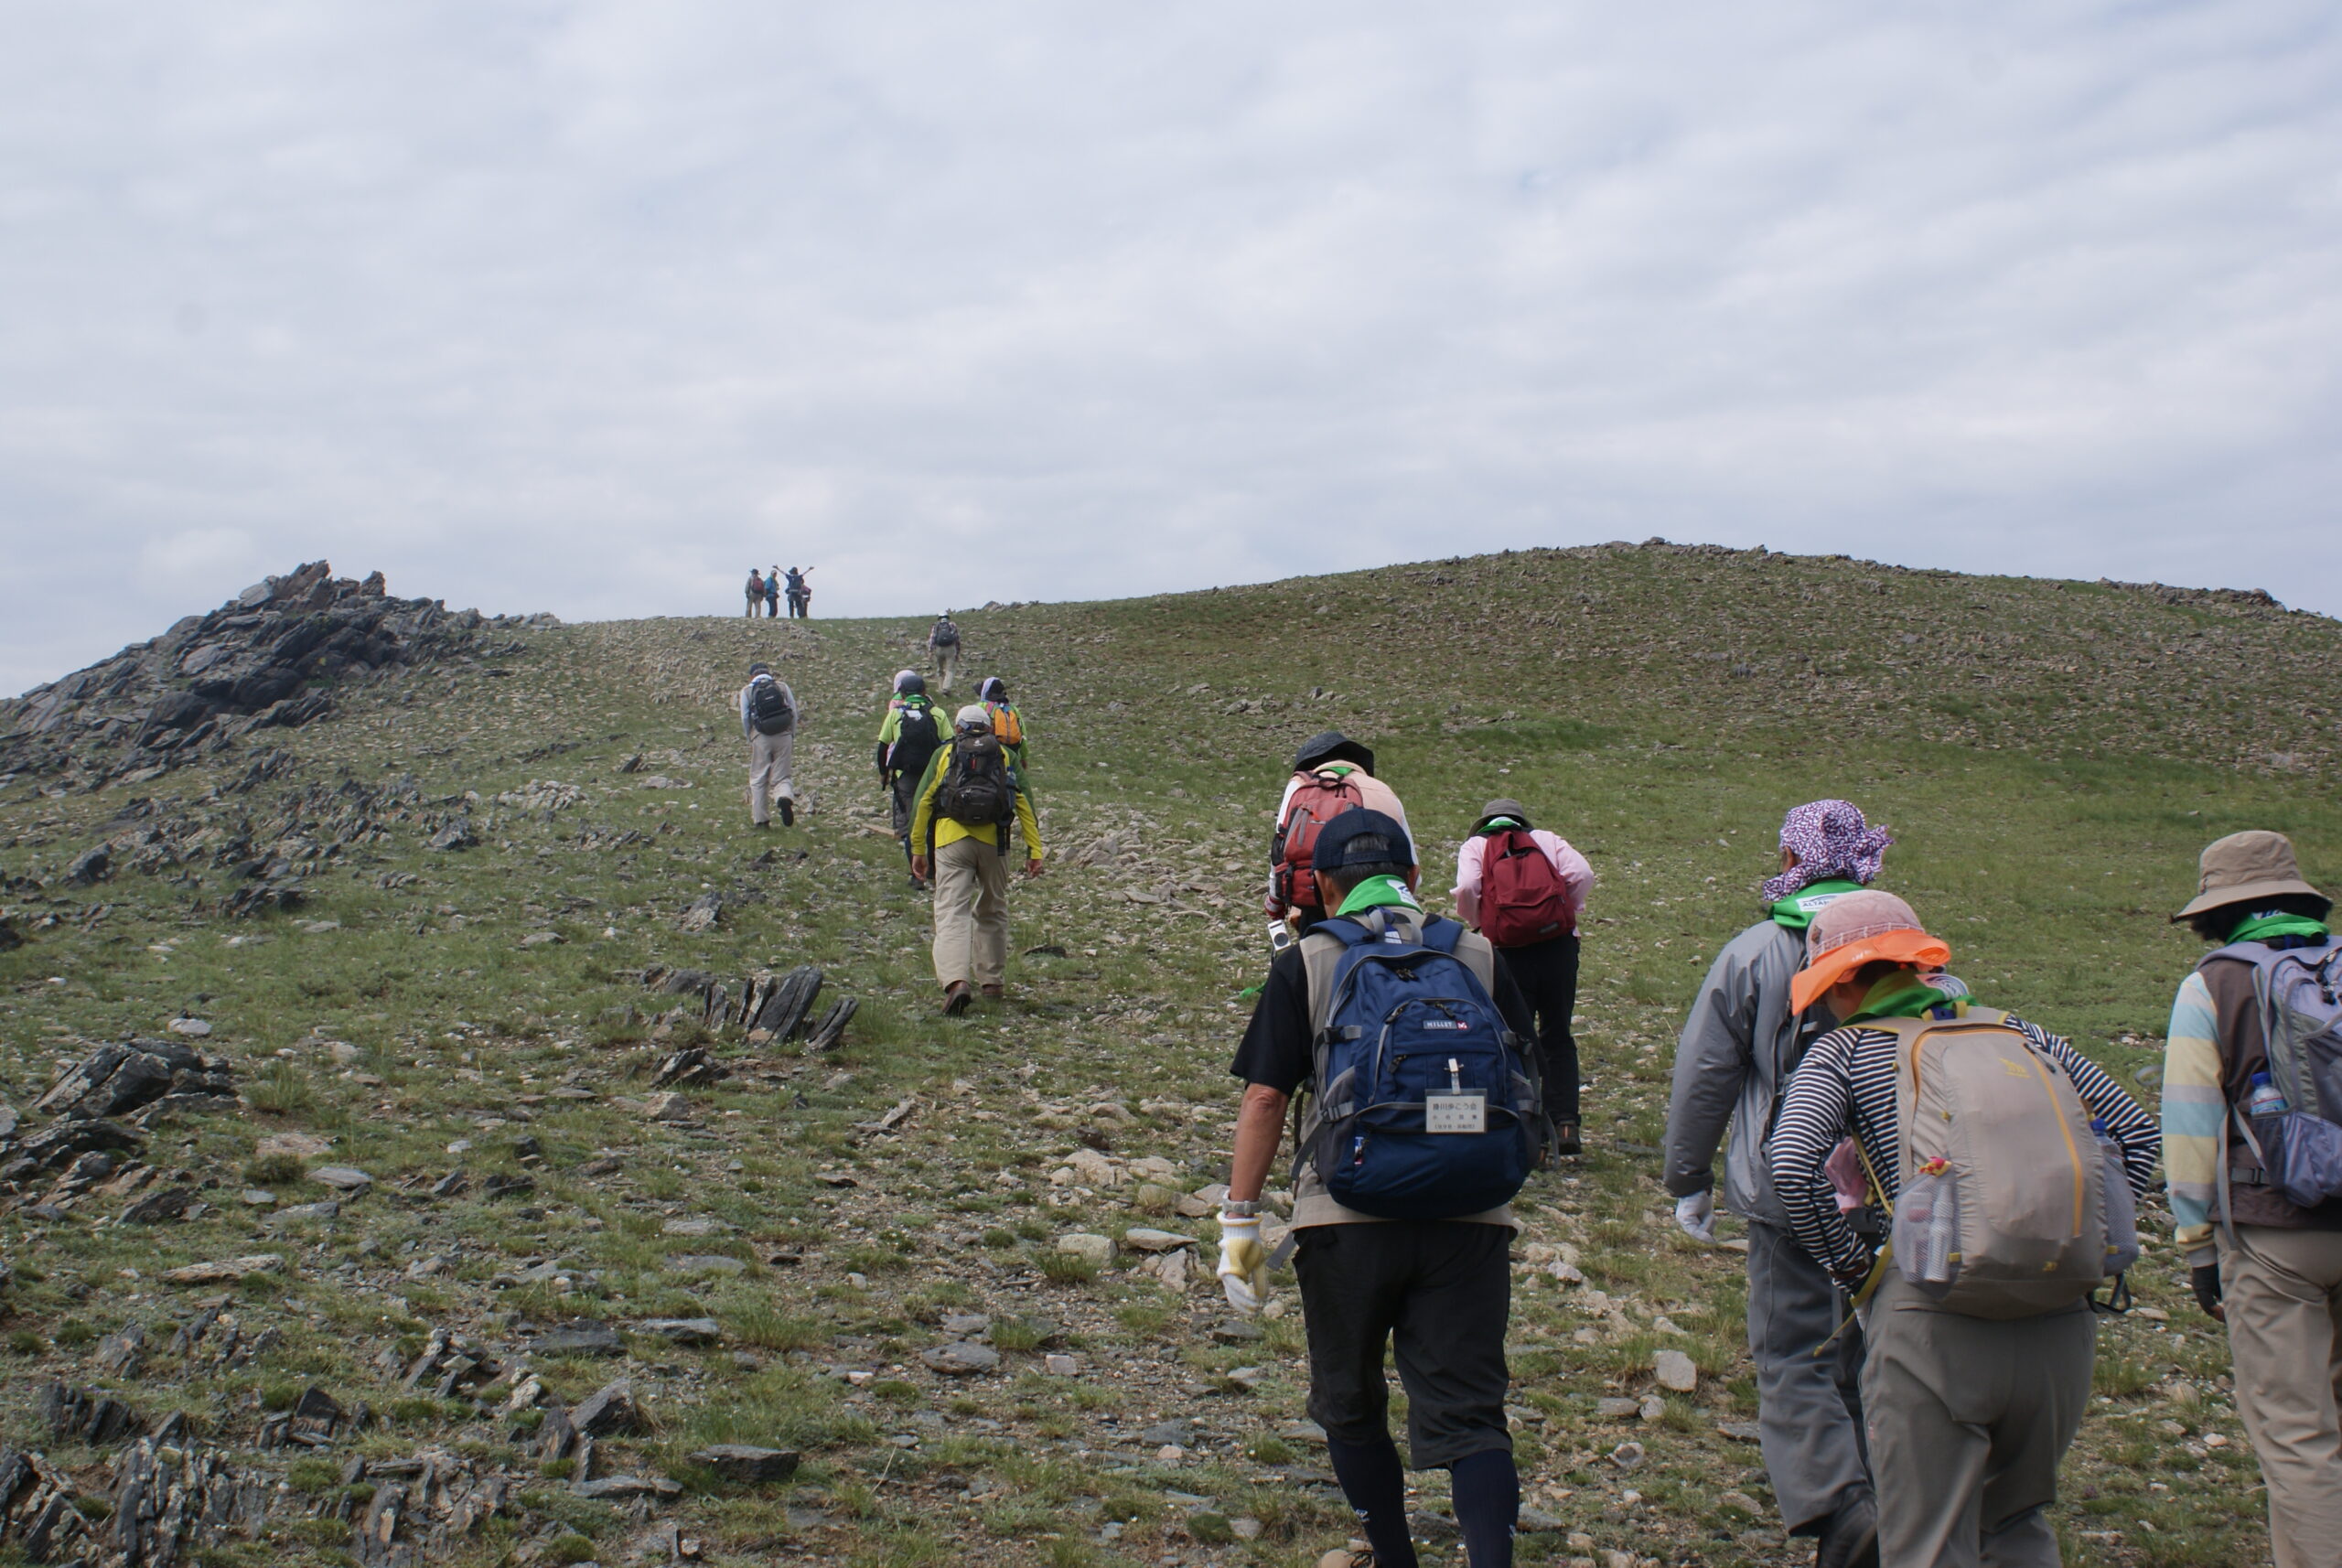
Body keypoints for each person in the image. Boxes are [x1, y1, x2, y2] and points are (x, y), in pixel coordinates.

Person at [1772, 890, 2157, 1568]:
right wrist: (2075, 1241)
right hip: (2058, 1316)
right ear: (1916, 963)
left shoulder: (1845, 1051)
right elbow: (2137, 1136)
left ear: (1844, 981)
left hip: (1930, 1314)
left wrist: (1857, 1271)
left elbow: (1791, 1163)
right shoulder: (2023, 1035)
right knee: (2015, 1522)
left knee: (1928, 1537)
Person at [1221, 809, 1535, 1568]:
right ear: (1414, 878)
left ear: (1324, 887)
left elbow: (1265, 1098)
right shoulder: (1478, 954)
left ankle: (1395, 1556)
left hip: (1344, 1214)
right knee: (1472, 1416)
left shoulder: (1309, 960)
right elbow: (1529, 1071)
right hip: (1471, 1214)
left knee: (1350, 1402)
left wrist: (1240, 1224)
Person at [1661, 800, 1893, 1566]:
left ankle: (1841, 1509)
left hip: (1786, 1187)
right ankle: (1894, 1502)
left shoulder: (1756, 951)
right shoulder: (1901, 946)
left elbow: (1705, 1075)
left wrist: (1689, 1177)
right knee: (1873, 1353)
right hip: (1890, 1192)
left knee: (1793, 1351)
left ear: (1791, 860)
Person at [2160, 831, 2342, 1567]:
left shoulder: (2213, 984)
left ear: (2216, 911)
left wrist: (2196, 1244)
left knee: (2298, 1435)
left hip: (2272, 1236)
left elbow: (2190, 1125)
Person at [1453, 800, 1593, 1155]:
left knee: (1514, 1038)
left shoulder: (1476, 846)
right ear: (1521, 822)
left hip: (1507, 951)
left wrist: (1481, 922)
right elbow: (1582, 874)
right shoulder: (1546, 839)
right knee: (1558, 1033)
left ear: (1484, 823)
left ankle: (1527, 1129)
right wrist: (1565, 912)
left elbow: (1467, 886)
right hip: (1558, 945)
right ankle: (1565, 1123)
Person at [908, 705, 1042, 1015]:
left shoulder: (945, 754)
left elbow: (923, 801)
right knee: (993, 908)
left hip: (951, 840)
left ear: (958, 728)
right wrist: (1034, 850)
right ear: (989, 729)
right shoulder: (1005, 756)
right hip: (995, 842)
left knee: (952, 910)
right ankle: (991, 981)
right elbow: (1024, 802)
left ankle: (957, 981)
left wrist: (918, 849)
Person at [1267, 732, 1411, 938]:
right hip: (1382, 904)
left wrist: (1274, 903)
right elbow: (1412, 867)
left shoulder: (1300, 786)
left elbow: (1280, 850)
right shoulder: (1383, 790)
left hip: (1317, 900)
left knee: (1318, 955)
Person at [876, 671, 944, 888]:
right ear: (924, 691)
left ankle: (916, 876)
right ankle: (932, 870)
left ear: (902, 694)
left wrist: (884, 772)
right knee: (932, 822)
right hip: (932, 775)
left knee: (909, 825)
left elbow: (883, 746)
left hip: (905, 776)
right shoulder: (937, 713)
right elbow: (950, 743)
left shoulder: (896, 714)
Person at [737, 661, 800, 828]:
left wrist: (750, 737)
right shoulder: (782, 687)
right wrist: (791, 733)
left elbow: (745, 717)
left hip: (761, 736)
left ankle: (761, 820)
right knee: (782, 776)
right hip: (784, 735)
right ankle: (783, 797)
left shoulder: (747, 691)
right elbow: (794, 712)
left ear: (752, 676)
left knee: (759, 778)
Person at [976, 676, 1029, 774]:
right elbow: (1023, 735)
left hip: (988, 752)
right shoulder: (1012, 709)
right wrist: (1023, 756)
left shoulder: (981, 707)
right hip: (1011, 753)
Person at [929, 612, 962, 691]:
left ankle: (940, 688)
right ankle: (946, 688)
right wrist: (957, 652)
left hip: (939, 649)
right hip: (950, 649)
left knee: (939, 669)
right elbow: (957, 639)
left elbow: (932, 638)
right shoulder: (952, 625)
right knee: (950, 669)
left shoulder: (936, 626)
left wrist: (930, 651)